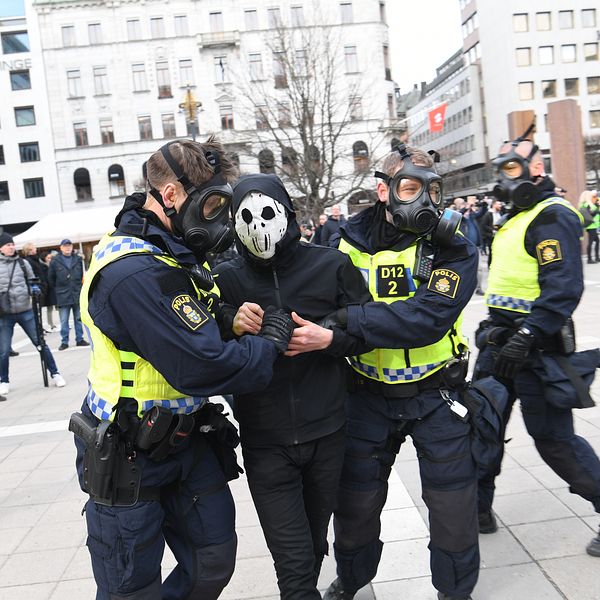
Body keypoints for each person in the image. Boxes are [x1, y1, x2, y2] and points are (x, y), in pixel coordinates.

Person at [73, 137, 294, 600]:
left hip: (187, 439)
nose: (217, 219)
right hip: (128, 451)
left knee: (213, 558)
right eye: (211, 205)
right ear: (171, 195)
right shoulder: (131, 270)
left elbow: (186, 315)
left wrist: (226, 319)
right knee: (131, 589)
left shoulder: (170, 252)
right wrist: (270, 344)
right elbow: (201, 363)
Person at [316, 145, 479, 600]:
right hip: (366, 393)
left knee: (452, 506)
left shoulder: (451, 245)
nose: (424, 200)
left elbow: (427, 317)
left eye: (433, 190)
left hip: (436, 396)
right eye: (411, 188)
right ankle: (351, 577)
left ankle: (455, 591)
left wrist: (350, 320)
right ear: (383, 191)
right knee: (355, 503)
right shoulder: (340, 240)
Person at [213, 173, 371, 600]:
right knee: (295, 567)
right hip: (266, 442)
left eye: (268, 212)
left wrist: (329, 338)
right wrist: (229, 319)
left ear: (288, 212)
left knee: (316, 544)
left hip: (328, 433)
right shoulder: (223, 278)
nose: (259, 225)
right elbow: (203, 341)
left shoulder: (332, 265)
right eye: (245, 216)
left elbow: (367, 329)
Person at [474, 134, 600, 557]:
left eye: (513, 167)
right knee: (481, 426)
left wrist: (527, 335)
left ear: (537, 168)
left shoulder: (552, 214)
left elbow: (563, 287)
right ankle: (477, 510)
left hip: (537, 347)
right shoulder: (515, 216)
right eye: (502, 169)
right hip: (499, 342)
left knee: (554, 440)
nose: (506, 177)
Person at [0, 233, 66, 395]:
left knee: (40, 343)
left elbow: (34, 280)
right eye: (7, 245)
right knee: (3, 350)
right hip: (5, 314)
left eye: (12, 244)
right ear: (1, 248)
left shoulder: (23, 264)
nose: (11, 247)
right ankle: (4, 380)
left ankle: (55, 373)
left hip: (26, 310)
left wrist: (34, 289)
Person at [48, 239, 89, 350]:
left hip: (76, 293)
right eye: (65, 246)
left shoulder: (78, 259)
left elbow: (82, 275)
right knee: (64, 320)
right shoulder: (55, 261)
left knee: (79, 319)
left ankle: (79, 339)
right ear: (61, 248)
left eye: (69, 246)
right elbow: (50, 279)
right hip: (63, 295)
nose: (67, 248)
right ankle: (64, 341)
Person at [579, 190, 599, 264]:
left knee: (597, 241)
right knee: (591, 242)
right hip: (591, 225)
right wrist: (597, 208)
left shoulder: (583, 204)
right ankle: (590, 259)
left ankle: (596, 257)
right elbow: (592, 214)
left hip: (590, 225)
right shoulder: (587, 204)